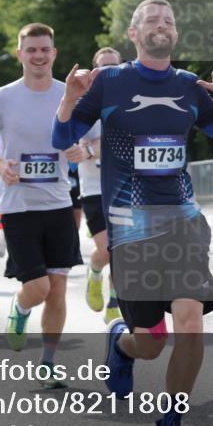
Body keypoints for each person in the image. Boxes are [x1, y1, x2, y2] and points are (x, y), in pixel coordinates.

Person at [53, 0, 213, 426]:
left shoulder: (185, 84)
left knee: (191, 322)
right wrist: (70, 99)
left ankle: (171, 425)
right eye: (152, 21)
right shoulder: (110, 82)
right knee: (151, 343)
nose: (163, 26)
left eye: (170, 21)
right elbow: (62, 139)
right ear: (134, 34)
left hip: (183, 220)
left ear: (175, 35)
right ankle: (121, 340)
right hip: (130, 228)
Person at [0, 22, 83, 389]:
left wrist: (85, 150)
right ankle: (20, 310)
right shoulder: (3, 97)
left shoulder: (69, 94)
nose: (38, 55)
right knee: (38, 289)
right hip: (18, 206)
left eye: (44, 49)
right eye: (31, 49)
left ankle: (48, 362)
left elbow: (94, 140)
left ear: (54, 53)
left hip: (58, 204)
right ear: (20, 54)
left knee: (59, 289)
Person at [79, 47, 123, 323]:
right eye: (103, 66)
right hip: (94, 188)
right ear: (94, 72)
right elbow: (77, 144)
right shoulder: (84, 104)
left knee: (122, 250)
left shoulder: (130, 102)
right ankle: (95, 272)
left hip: (123, 186)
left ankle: (114, 303)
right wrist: (98, 146)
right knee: (107, 249)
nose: (108, 70)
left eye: (113, 66)